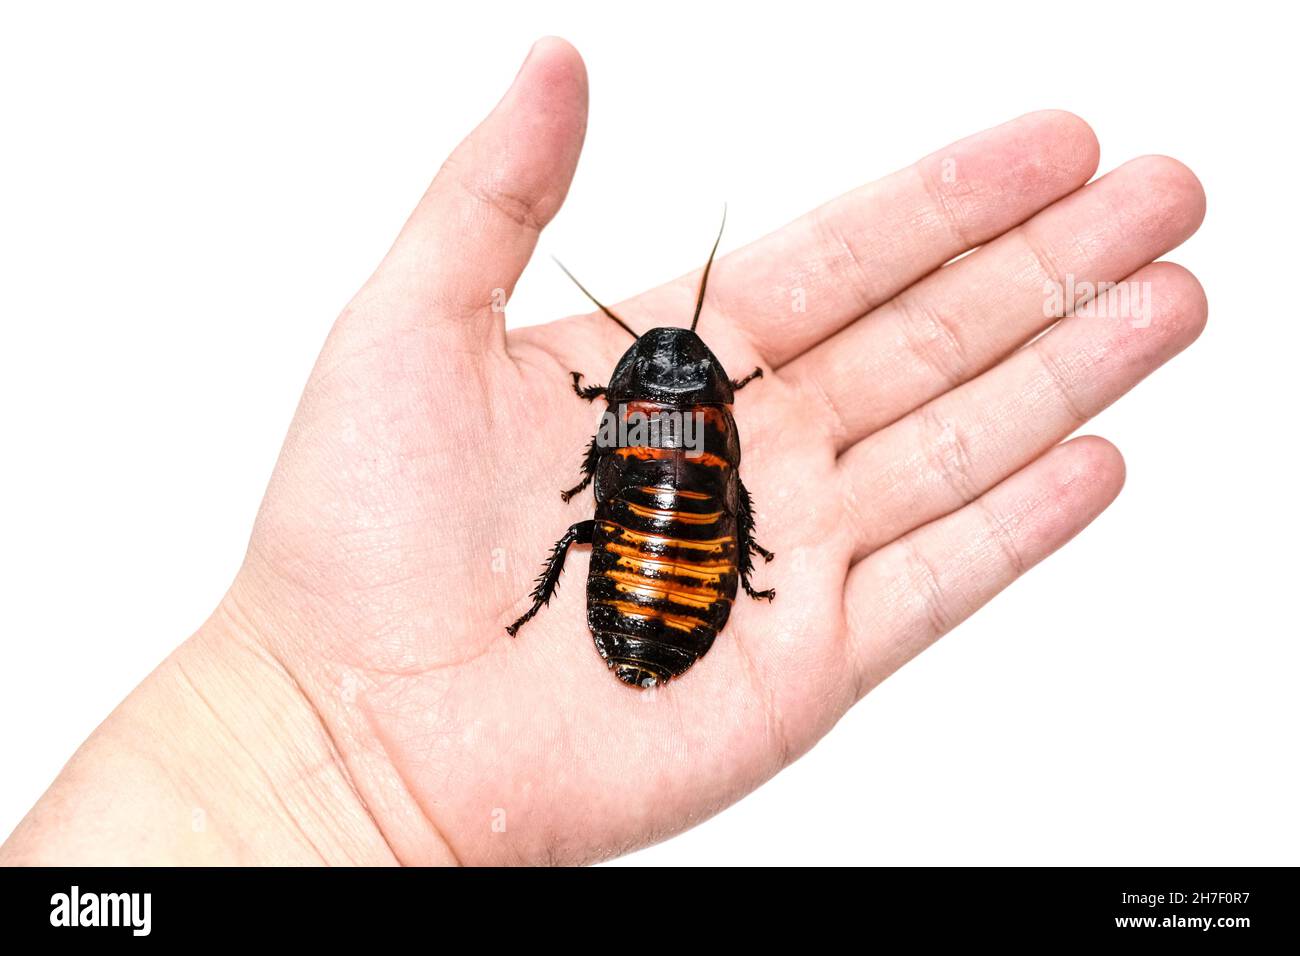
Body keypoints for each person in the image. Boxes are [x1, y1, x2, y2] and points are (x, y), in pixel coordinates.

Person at [0, 37, 1207, 866]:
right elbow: (714, 494)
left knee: (603, 523)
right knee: (620, 524)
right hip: (670, 585)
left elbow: (638, 486)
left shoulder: (633, 427)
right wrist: (318, 743)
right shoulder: (701, 432)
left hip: (648, 559)